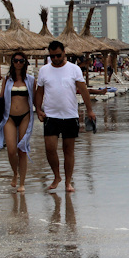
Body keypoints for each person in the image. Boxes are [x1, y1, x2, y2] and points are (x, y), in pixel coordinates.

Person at [34, 40, 96, 192]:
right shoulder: (44, 70)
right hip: (51, 115)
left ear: (64, 53)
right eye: (52, 56)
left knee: (68, 150)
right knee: (50, 148)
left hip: (70, 115)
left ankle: (68, 182)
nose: (55, 58)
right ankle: (57, 176)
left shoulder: (74, 69)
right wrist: (38, 109)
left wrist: (89, 110)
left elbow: (83, 90)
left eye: (58, 55)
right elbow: (39, 92)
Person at [0, 51, 35, 192]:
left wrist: (41, 111)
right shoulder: (7, 79)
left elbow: (37, 98)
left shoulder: (31, 80)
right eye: (16, 61)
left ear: (25, 63)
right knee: (11, 150)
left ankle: (22, 182)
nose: (18, 63)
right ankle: (15, 173)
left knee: (22, 149)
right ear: (12, 62)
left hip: (25, 116)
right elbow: (0, 98)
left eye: (21, 61)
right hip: (8, 117)